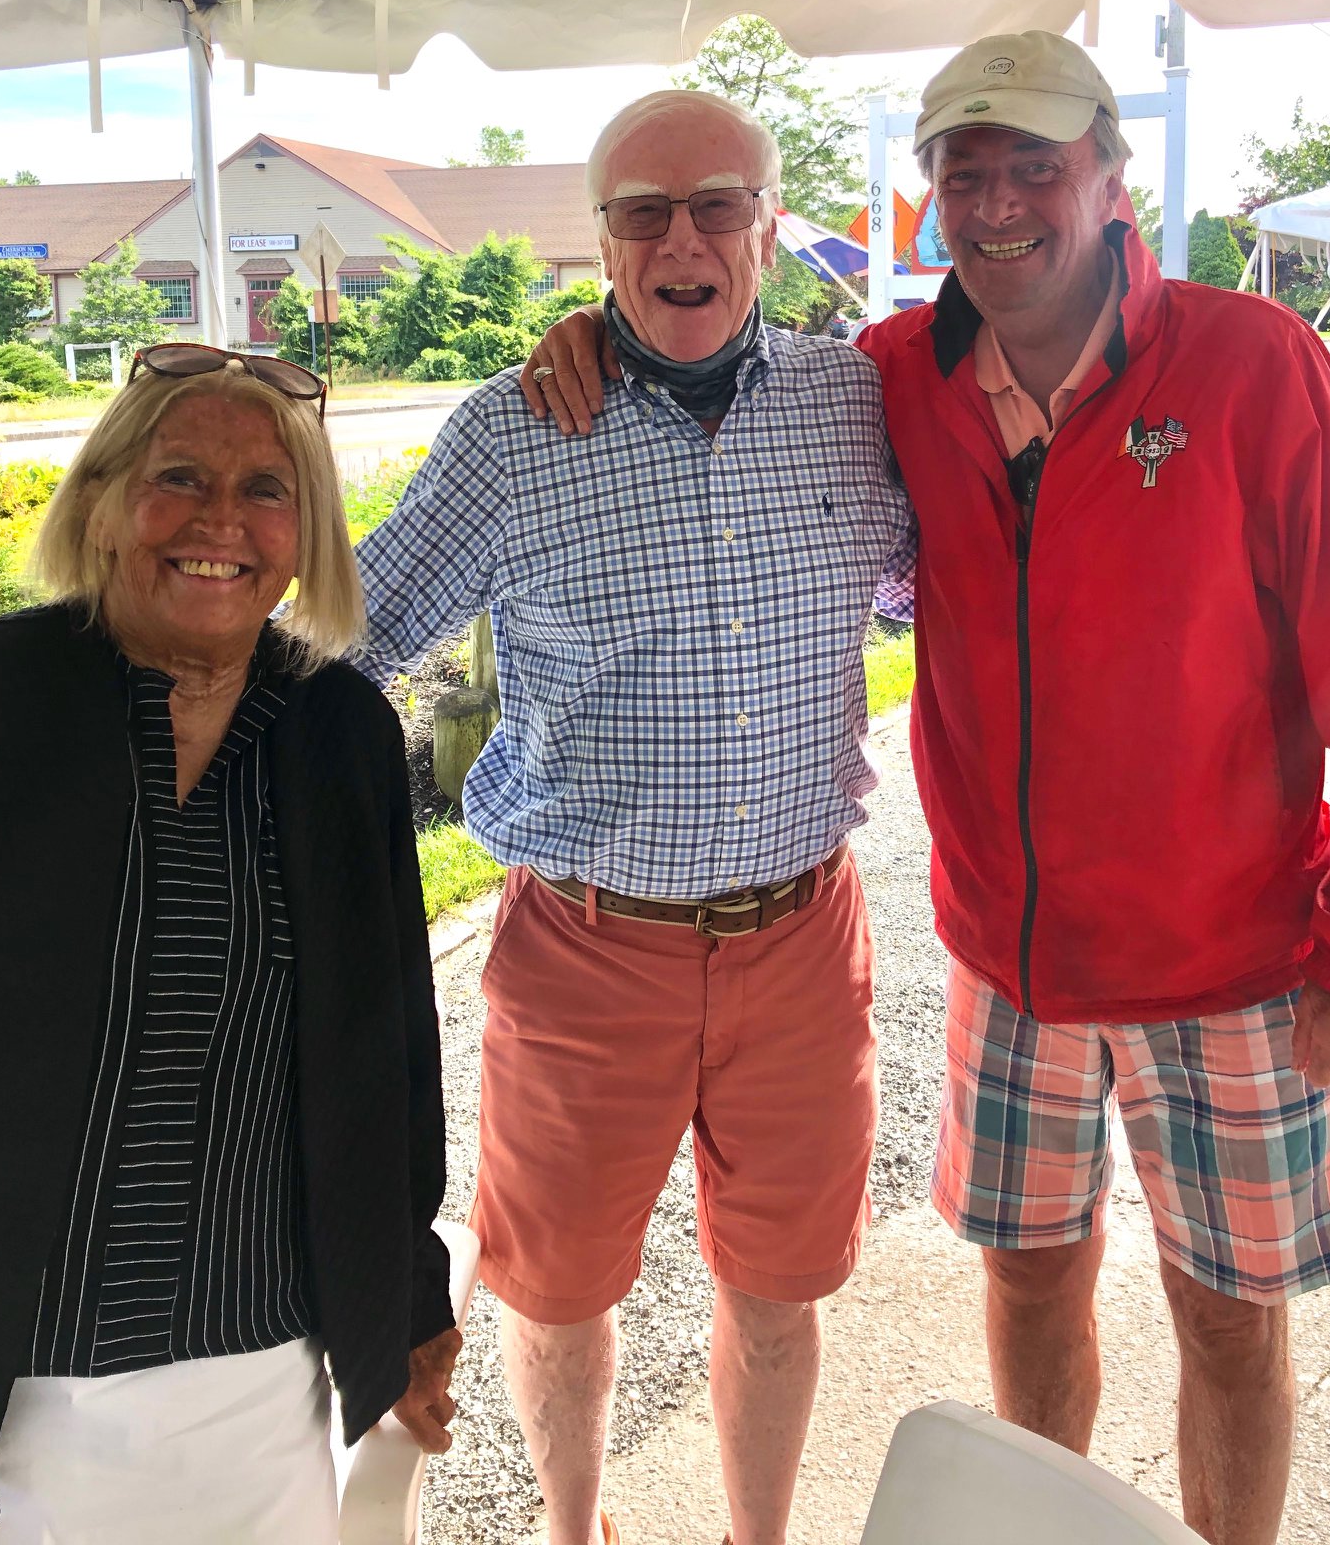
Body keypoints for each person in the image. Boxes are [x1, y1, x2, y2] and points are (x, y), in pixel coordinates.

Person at [524, 33, 1330, 1545]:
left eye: (1037, 165)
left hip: (1234, 962)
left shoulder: (1248, 362)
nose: (1001, 202)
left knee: (1228, 1320)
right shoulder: (895, 377)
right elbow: (708, 337)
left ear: (1111, 176)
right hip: (1010, 964)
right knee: (1027, 1286)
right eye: (965, 173)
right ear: (930, 201)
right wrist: (597, 328)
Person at [351, 88, 914, 1545]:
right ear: (600, 240)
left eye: (718, 206)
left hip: (803, 938)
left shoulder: (857, 404)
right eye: (643, 213)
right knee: (555, 1297)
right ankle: (573, 1531)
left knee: (780, 1290)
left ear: (769, 229)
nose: (682, 241)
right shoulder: (514, 430)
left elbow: (944, 582)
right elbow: (360, 633)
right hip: (585, 949)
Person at [0, 344, 458, 1544]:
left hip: (257, 1374)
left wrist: (411, 1295)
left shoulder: (339, 728)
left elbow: (392, 1042)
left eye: (267, 490)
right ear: (102, 503)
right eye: (178, 477)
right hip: (3, 1372)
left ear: (306, 535)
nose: (221, 520)